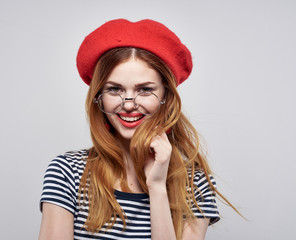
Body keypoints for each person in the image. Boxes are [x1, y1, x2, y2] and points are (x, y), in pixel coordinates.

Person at [38, 19, 231, 240]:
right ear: (99, 96)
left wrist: (157, 188)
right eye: (114, 89)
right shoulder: (67, 172)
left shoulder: (195, 182)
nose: (129, 104)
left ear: (166, 97)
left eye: (145, 90)